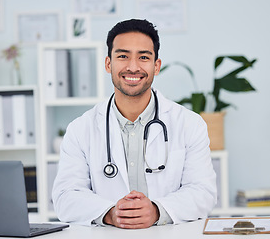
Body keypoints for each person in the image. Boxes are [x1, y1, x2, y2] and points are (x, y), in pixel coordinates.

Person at [52, 19, 217, 229]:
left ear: (156, 66)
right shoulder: (80, 129)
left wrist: (157, 210)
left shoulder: (189, 124)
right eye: (122, 56)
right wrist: (111, 214)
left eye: (143, 57)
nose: (133, 67)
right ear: (108, 64)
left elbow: (203, 191)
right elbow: (65, 197)